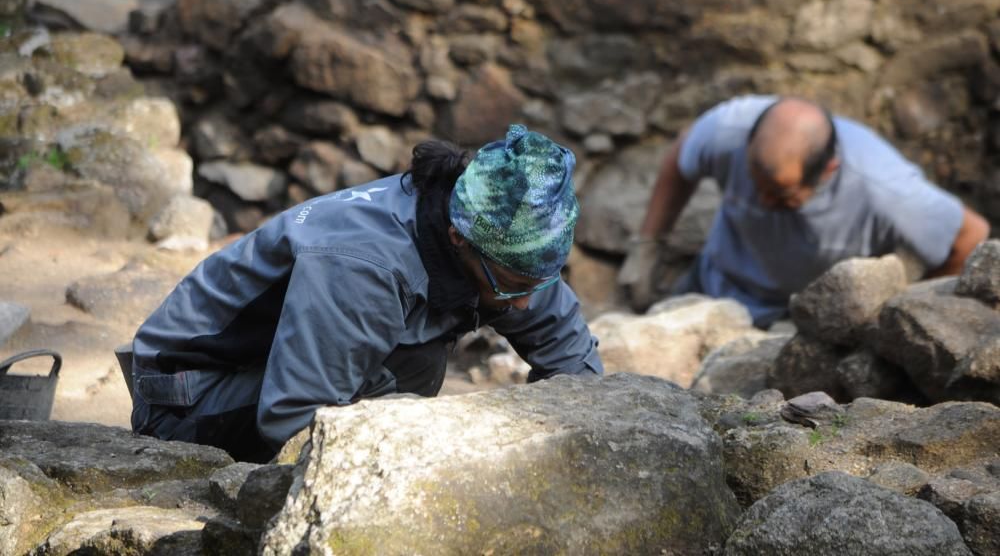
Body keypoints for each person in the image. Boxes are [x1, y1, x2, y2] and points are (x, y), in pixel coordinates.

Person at [130, 124, 603, 462]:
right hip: (185, 399)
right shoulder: (364, 267)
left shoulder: (510, 245)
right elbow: (294, 417)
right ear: (460, 238)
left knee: (416, 368)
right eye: (515, 286)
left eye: (540, 281)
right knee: (409, 389)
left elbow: (576, 368)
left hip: (268, 376)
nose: (524, 301)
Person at [620, 95, 990, 328]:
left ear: (828, 171)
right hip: (714, 284)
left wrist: (912, 312)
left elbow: (970, 235)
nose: (764, 201)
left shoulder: (885, 190)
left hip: (801, 321)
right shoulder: (730, 127)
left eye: (781, 195)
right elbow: (682, 156)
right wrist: (648, 244)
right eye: (757, 182)